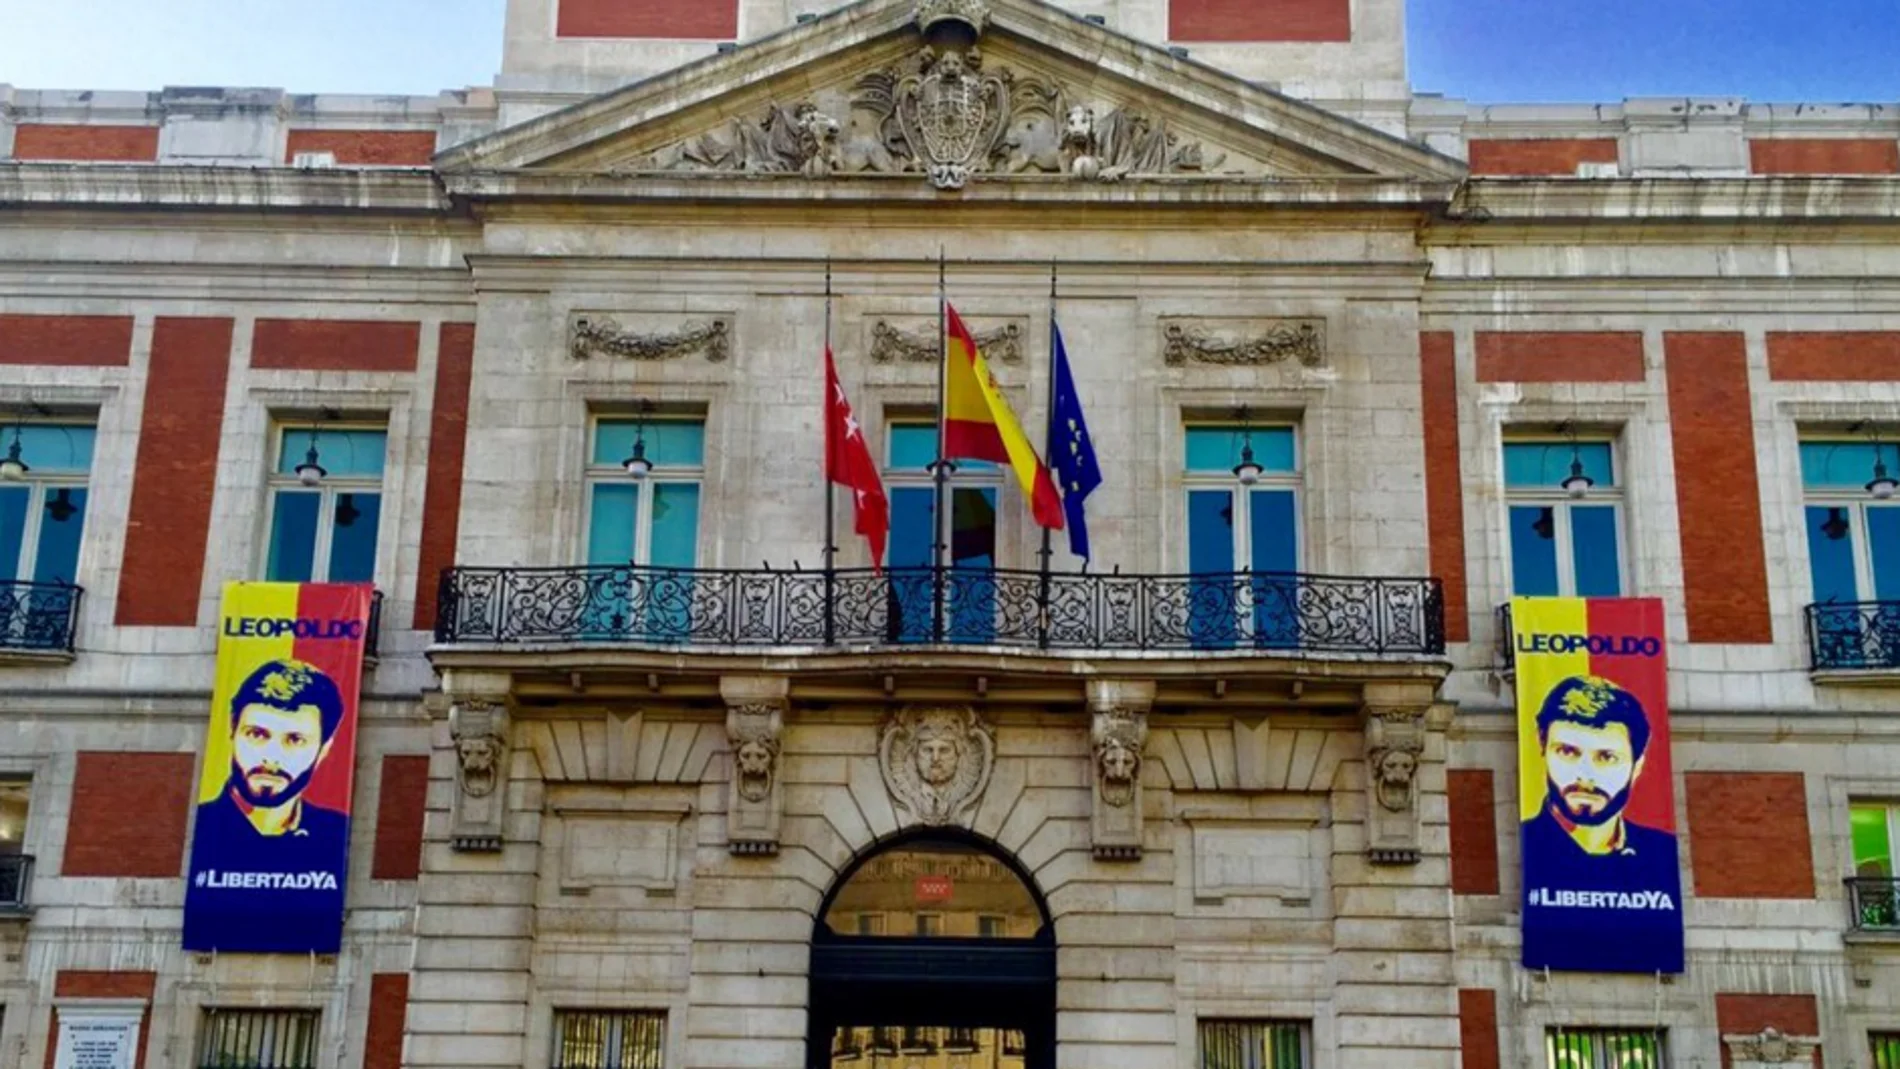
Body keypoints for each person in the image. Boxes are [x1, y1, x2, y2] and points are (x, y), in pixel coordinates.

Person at [1522, 674, 1682, 972]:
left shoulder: (1662, 851)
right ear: (1541, 747)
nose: (1585, 776)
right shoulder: (1525, 843)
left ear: (1638, 765)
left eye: (1606, 757)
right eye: (1568, 752)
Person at [194, 659, 348, 853]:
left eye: (295, 740)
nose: (272, 757)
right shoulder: (194, 824)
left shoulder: (339, 833)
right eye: (256, 734)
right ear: (232, 730)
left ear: (324, 749)